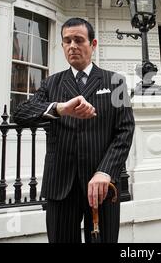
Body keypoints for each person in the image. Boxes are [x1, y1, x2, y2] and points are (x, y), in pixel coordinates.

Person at [13, 17, 135, 243]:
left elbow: (125, 131)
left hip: (101, 185)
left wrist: (105, 171)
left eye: (79, 40)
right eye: (67, 41)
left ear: (93, 44)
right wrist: (60, 109)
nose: (72, 46)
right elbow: (19, 114)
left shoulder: (115, 81)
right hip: (61, 186)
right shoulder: (51, 84)